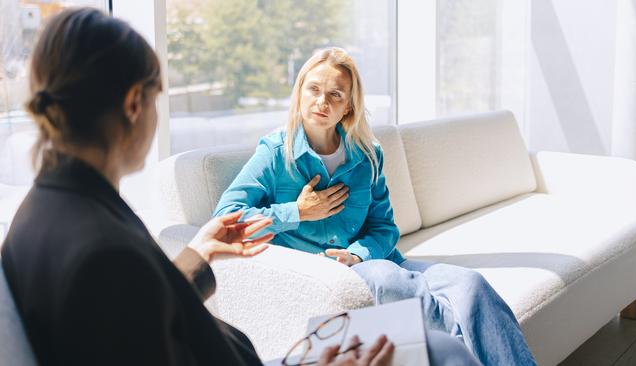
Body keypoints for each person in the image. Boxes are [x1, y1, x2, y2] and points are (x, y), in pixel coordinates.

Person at [0, 8, 405, 366]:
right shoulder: (101, 251)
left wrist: (198, 255)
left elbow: (140, 312)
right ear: (134, 104)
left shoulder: (52, 211)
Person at [214, 47, 537, 366]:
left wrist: (358, 254)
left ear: (348, 108)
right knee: (385, 278)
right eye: (313, 89)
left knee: (470, 284)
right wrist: (296, 212)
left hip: (371, 259)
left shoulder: (367, 156)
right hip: (325, 273)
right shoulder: (274, 153)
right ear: (299, 93)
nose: (321, 102)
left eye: (335, 95)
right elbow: (225, 218)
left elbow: (384, 228)